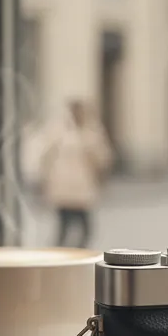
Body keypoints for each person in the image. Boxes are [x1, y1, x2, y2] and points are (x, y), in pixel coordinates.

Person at [41, 99, 114, 247]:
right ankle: (62, 257)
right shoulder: (59, 131)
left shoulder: (91, 132)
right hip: (64, 188)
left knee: (84, 229)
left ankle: (78, 255)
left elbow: (103, 158)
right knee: (65, 228)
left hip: (81, 187)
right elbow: (46, 156)